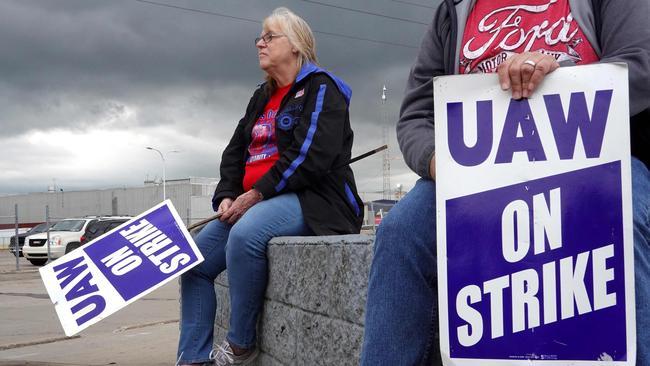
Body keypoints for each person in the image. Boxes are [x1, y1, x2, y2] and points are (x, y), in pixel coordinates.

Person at [361, 0, 650, 365]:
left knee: (624, 218)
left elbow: (641, 64)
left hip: (593, 159)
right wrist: (441, 165)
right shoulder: (454, 9)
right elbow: (417, 113)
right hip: (472, 172)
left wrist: (560, 71)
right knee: (400, 232)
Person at [177, 7, 363, 366]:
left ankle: (240, 346)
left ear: (295, 45)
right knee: (194, 263)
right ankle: (192, 358)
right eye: (259, 37)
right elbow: (234, 152)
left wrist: (256, 194)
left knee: (247, 234)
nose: (260, 43)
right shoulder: (261, 96)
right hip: (253, 199)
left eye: (269, 36)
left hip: (314, 199)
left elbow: (310, 156)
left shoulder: (322, 88)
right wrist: (228, 195)